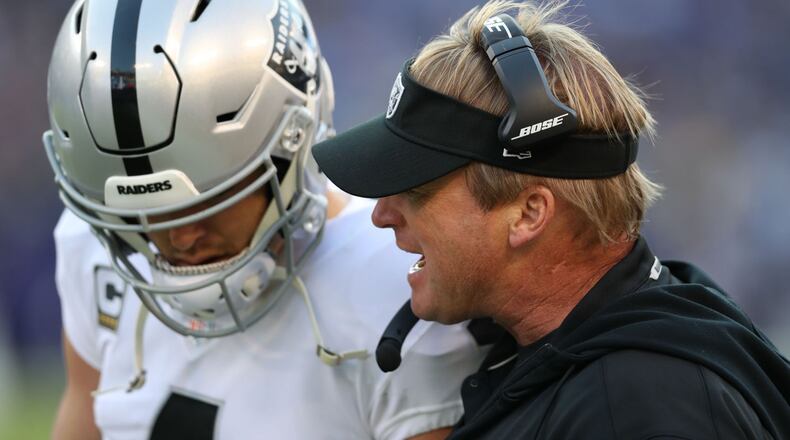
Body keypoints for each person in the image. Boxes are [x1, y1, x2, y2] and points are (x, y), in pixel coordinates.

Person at [312, 1, 790, 438]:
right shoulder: (593, 362)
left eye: (416, 189)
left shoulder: (640, 406)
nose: (381, 215)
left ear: (529, 214)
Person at [44, 1, 487, 439]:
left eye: (209, 200)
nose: (178, 237)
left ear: (292, 145)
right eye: (143, 214)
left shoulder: (399, 285)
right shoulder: (90, 246)